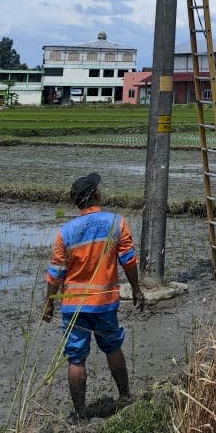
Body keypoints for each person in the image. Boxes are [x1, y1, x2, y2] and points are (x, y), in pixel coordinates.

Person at [42, 172, 145, 419]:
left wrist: (49, 304)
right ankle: (125, 396)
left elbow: (55, 274)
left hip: (73, 306)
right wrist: (136, 289)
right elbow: (129, 261)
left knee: (76, 358)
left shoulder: (65, 232)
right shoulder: (116, 223)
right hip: (104, 303)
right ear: (95, 195)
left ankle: (80, 412)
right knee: (113, 347)